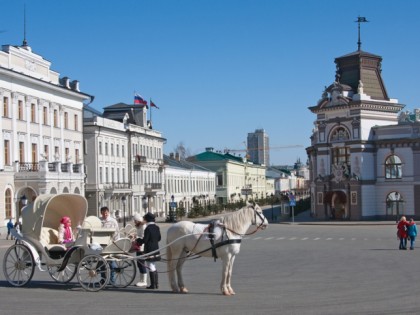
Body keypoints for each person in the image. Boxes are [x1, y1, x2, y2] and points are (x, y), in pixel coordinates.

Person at [136, 212, 161, 289]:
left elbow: (145, 240)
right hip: (156, 248)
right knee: (153, 265)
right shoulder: (157, 227)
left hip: (149, 249)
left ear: (147, 220)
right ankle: (156, 284)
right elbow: (159, 238)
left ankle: (153, 285)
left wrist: (138, 240)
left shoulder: (148, 228)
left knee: (150, 266)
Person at [100, 206, 120, 284]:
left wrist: (116, 242)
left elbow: (117, 232)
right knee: (101, 262)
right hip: (102, 243)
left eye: (106, 213)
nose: (105, 214)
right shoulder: (99, 221)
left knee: (112, 261)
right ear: (101, 213)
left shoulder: (113, 221)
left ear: (108, 213)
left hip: (111, 243)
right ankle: (103, 278)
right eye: (103, 213)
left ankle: (112, 279)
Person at [133, 213, 148, 287]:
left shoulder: (143, 226)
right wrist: (135, 235)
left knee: (142, 263)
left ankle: (144, 281)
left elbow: (143, 236)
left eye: (135, 220)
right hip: (139, 246)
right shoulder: (139, 226)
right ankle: (141, 279)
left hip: (142, 247)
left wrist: (136, 237)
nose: (134, 222)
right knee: (139, 264)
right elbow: (139, 234)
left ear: (138, 220)